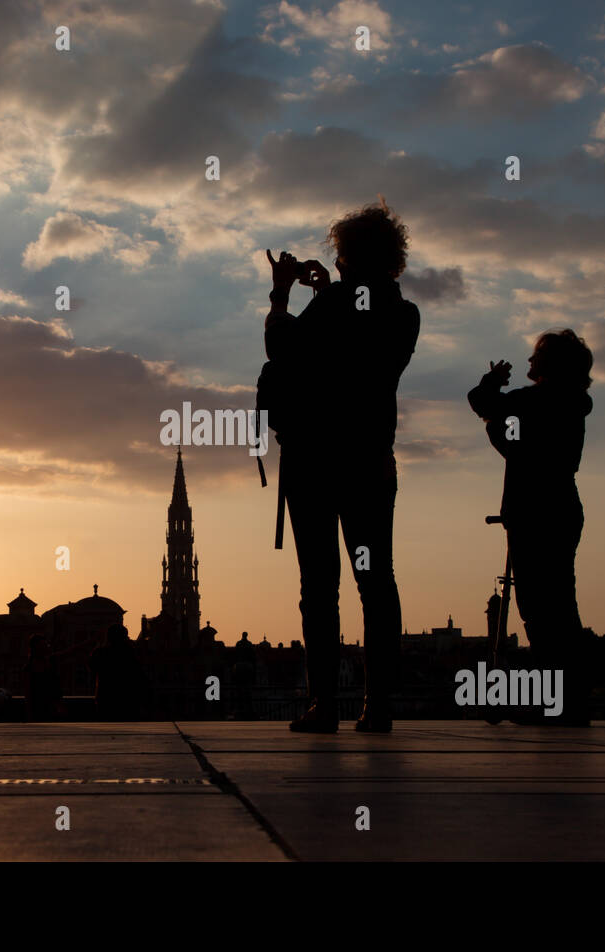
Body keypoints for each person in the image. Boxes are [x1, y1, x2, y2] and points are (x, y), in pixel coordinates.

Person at [261, 199, 421, 733]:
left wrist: (283, 295)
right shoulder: (404, 314)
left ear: (348, 254)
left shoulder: (332, 305)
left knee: (319, 586)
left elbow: (284, 348)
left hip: (314, 463)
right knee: (376, 584)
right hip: (371, 464)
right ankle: (379, 706)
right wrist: (325, 292)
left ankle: (324, 705)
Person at [467, 329, 595, 726]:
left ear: (551, 364)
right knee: (559, 604)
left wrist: (492, 387)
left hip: (532, 510)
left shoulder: (534, 401)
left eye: (536, 357)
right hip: (561, 506)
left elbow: (485, 408)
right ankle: (568, 699)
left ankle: (555, 702)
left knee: (539, 609)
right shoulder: (573, 402)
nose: (528, 363)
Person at [89, 624, 144, 720]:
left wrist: (99, 645)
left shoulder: (101, 652)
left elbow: (92, 667)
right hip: (128, 700)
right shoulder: (130, 652)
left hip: (105, 698)